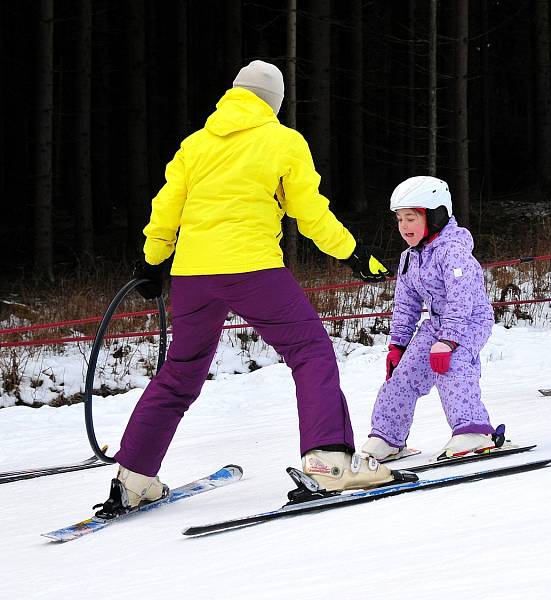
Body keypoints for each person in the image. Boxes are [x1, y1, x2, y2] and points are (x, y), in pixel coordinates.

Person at [95, 60, 398, 517]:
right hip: (252, 268)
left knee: (180, 373)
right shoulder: (282, 141)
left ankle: (133, 478)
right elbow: (309, 212)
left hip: (194, 276)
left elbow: (166, 209)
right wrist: (353, 253)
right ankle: (328, 461)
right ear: (273, 103)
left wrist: (152, 262)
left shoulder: (195, 146)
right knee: (310, 351)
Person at [360, 176, 501, 462]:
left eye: (411, 218)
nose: (404, 226)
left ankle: (473, 429)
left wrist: (448, 341)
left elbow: (462, 300)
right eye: (399, 219)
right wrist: (398, 345)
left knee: (453, 365)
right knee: (402, 376)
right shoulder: (410, 257)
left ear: (435, 215)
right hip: (437, 323)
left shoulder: (453, 252)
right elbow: (406, 303)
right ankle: (387, 437)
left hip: (469, 321)